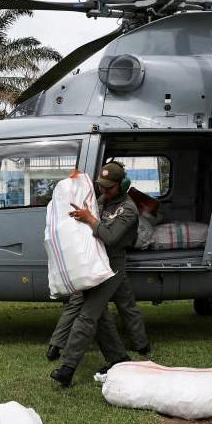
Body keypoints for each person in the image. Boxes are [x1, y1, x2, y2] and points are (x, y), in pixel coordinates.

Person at [49, 162, 150, 387]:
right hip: (96, 262)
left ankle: (67, 368)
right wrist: (75, 180)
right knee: (100, 316)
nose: (103, 191)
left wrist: (90, 219)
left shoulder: (128, 209)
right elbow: (84, 195)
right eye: (101, 187)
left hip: (112, 267)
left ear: (122, 185)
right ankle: (118, 358)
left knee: (87, 316)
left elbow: (111, 237)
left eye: (109, 188)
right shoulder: (104, 200)